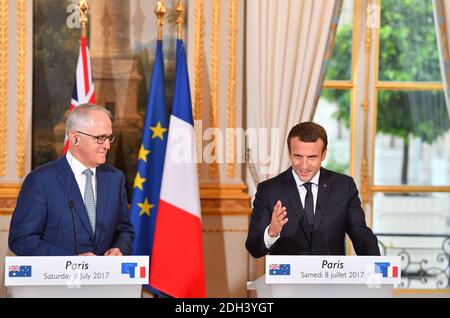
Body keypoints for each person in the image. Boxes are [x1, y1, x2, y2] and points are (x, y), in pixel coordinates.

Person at [9, 104, 135, 256]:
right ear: (76, 139)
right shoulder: (41, 181)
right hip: (57, 278)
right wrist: (71, 261)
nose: (107, 145)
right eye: (100, 138)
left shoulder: (115, 178)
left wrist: (119, 248)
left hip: (104, 279)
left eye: (109, 137)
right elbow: (21, 239)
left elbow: (124, 230)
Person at [246, 122, 380, 257]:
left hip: (330, 276)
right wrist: (272, 232)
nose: (304, 166)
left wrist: (378, 268)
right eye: (298, 156)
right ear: (289, 153)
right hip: (287, 277)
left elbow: (361, 234)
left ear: (323, 155)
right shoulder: (268, 190)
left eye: (311, 157)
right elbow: (254, 248)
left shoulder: (344, 186)